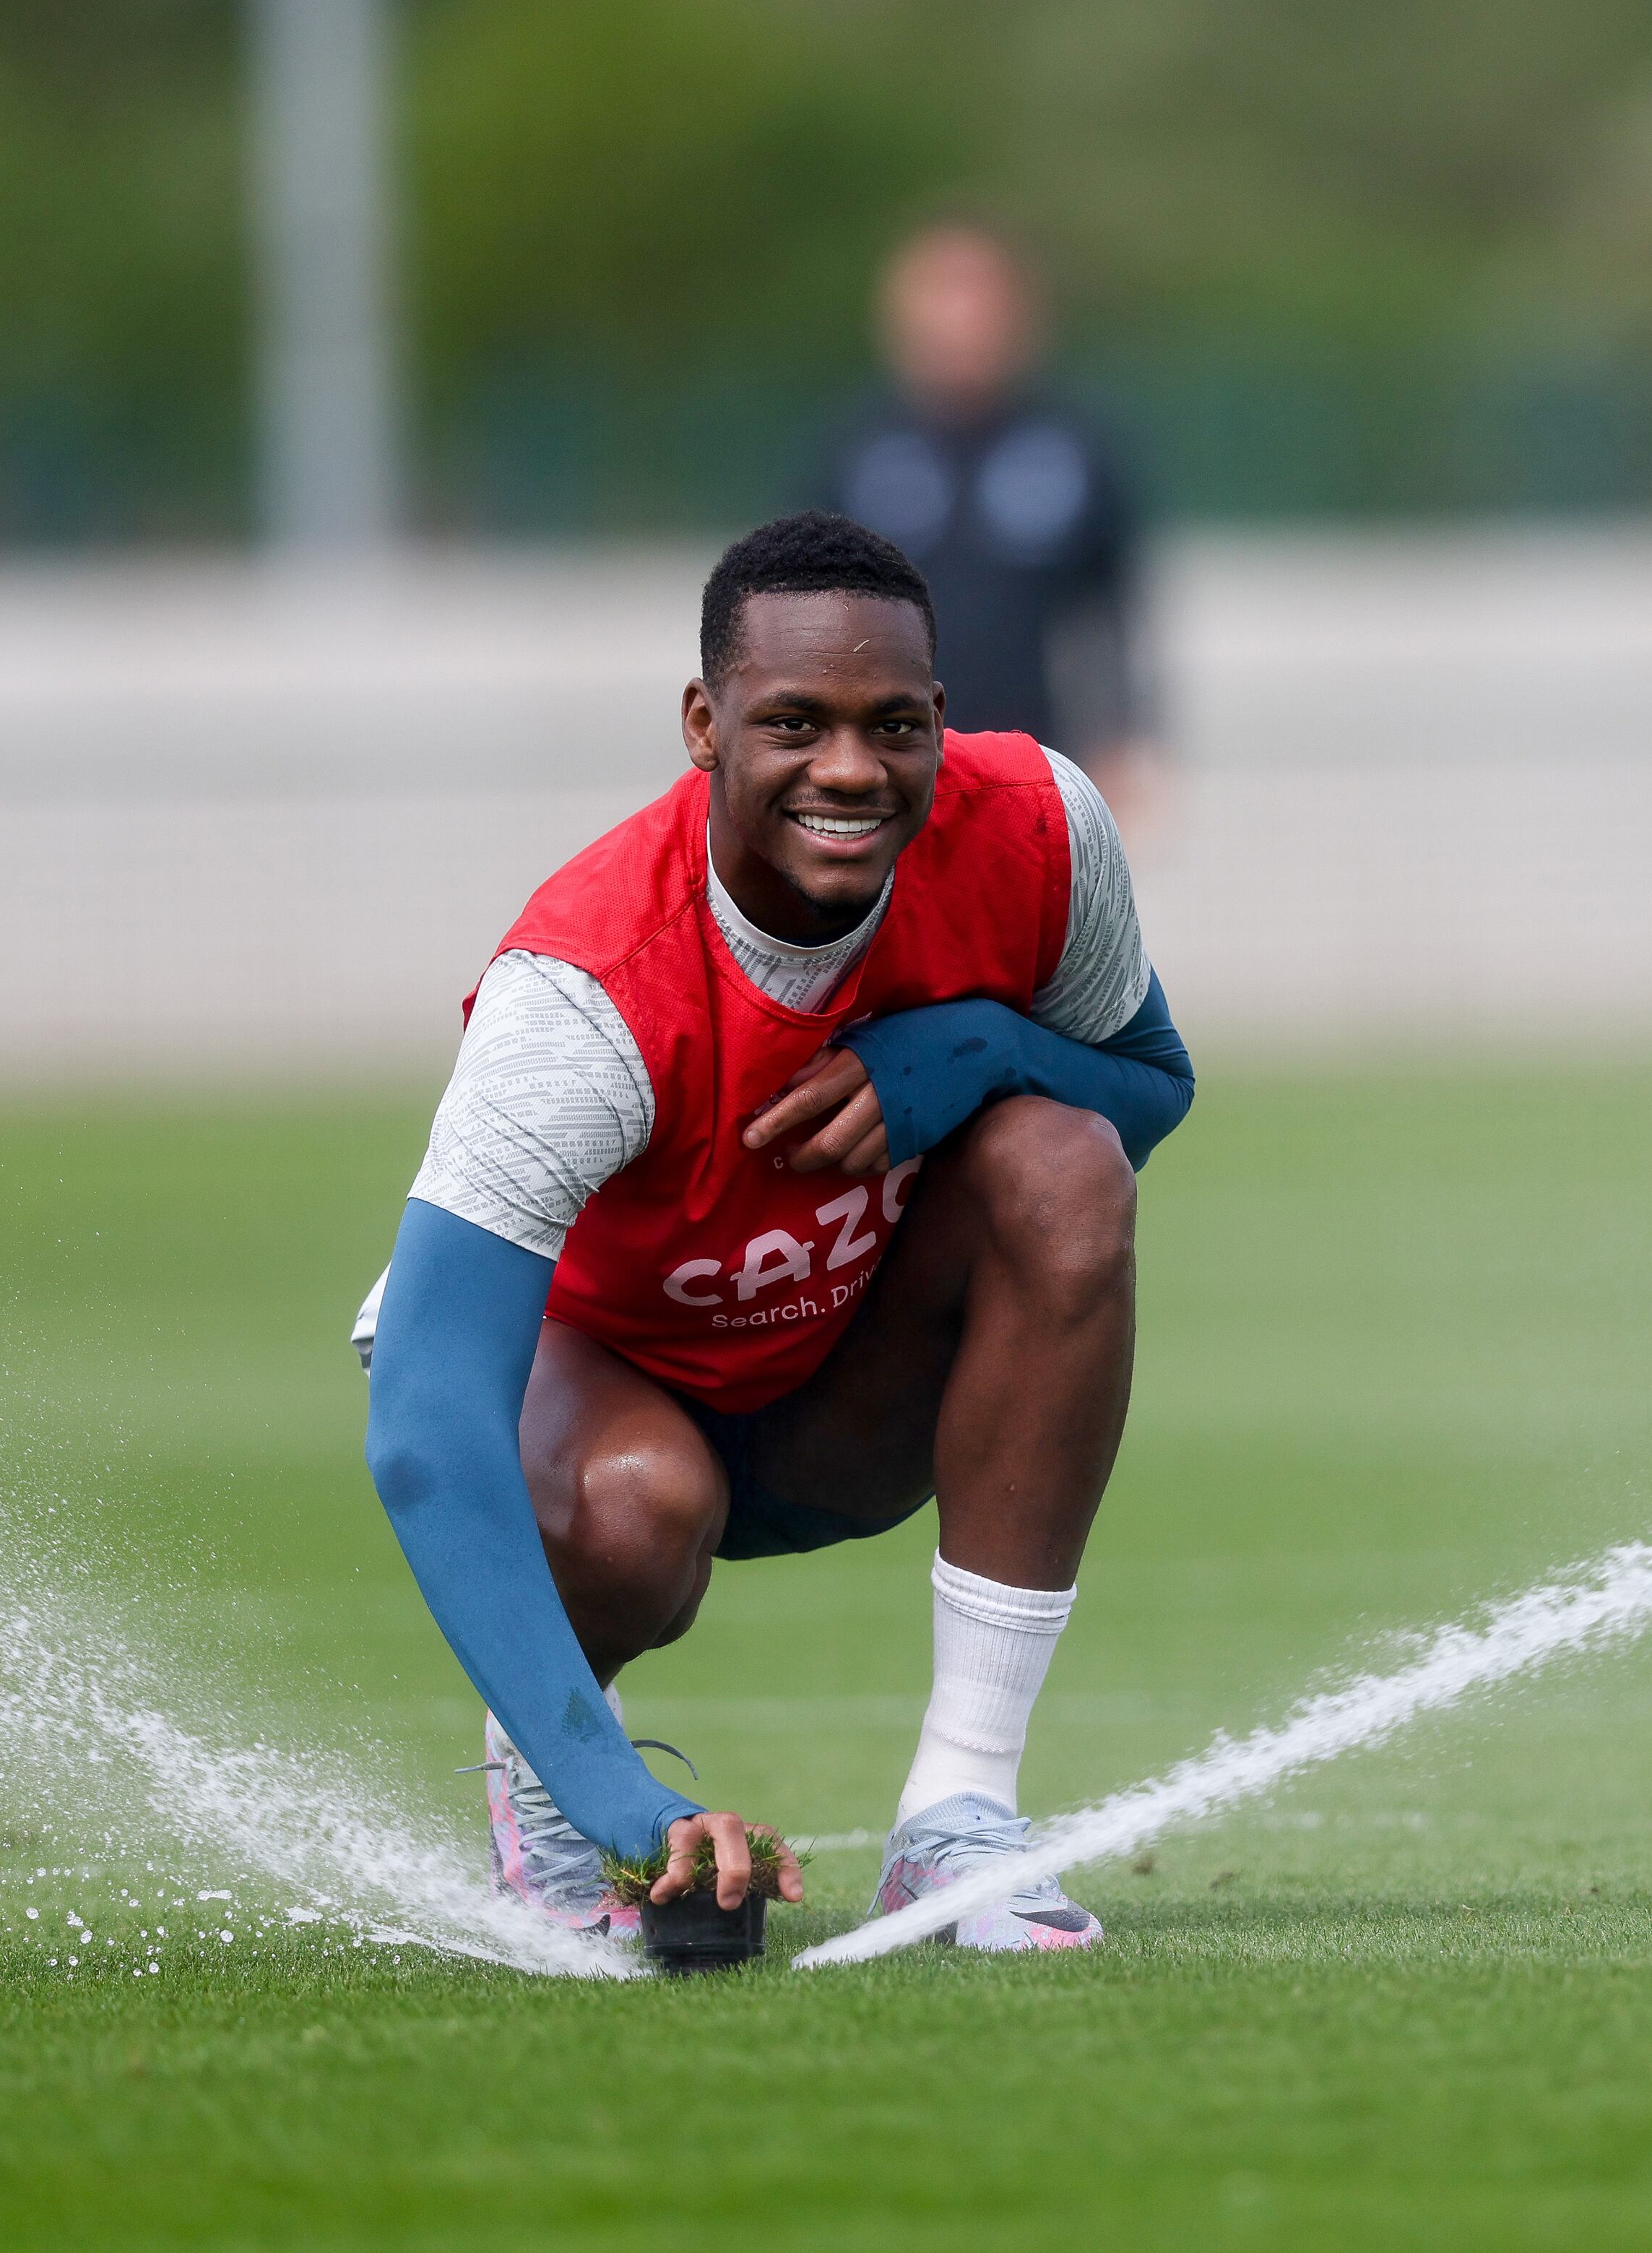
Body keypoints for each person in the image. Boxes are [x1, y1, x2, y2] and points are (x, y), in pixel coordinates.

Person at [351, 510, 1194, 1950]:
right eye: (792, 722)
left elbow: (1149, 1087)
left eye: (893, 724)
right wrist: (627, 1810)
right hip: (608, 1396)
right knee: (633, 1508)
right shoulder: (587, 985)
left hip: (832, 1396)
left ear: (942, 717)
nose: (850, 770)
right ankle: (560, 1791)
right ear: (703, 723)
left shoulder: (1043, 829)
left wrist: (980, 1049)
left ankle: (960, 1819)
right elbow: (427, 1421)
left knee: (1065, 1165)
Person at [814, 223, 1154, 811]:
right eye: (940, 299)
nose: (959, 323)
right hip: (882, 767)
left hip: (1034, 764)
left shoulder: (1071, 446)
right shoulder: (853, 451)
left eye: (978, 301)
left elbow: (1111, 608)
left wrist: (1120, 734)